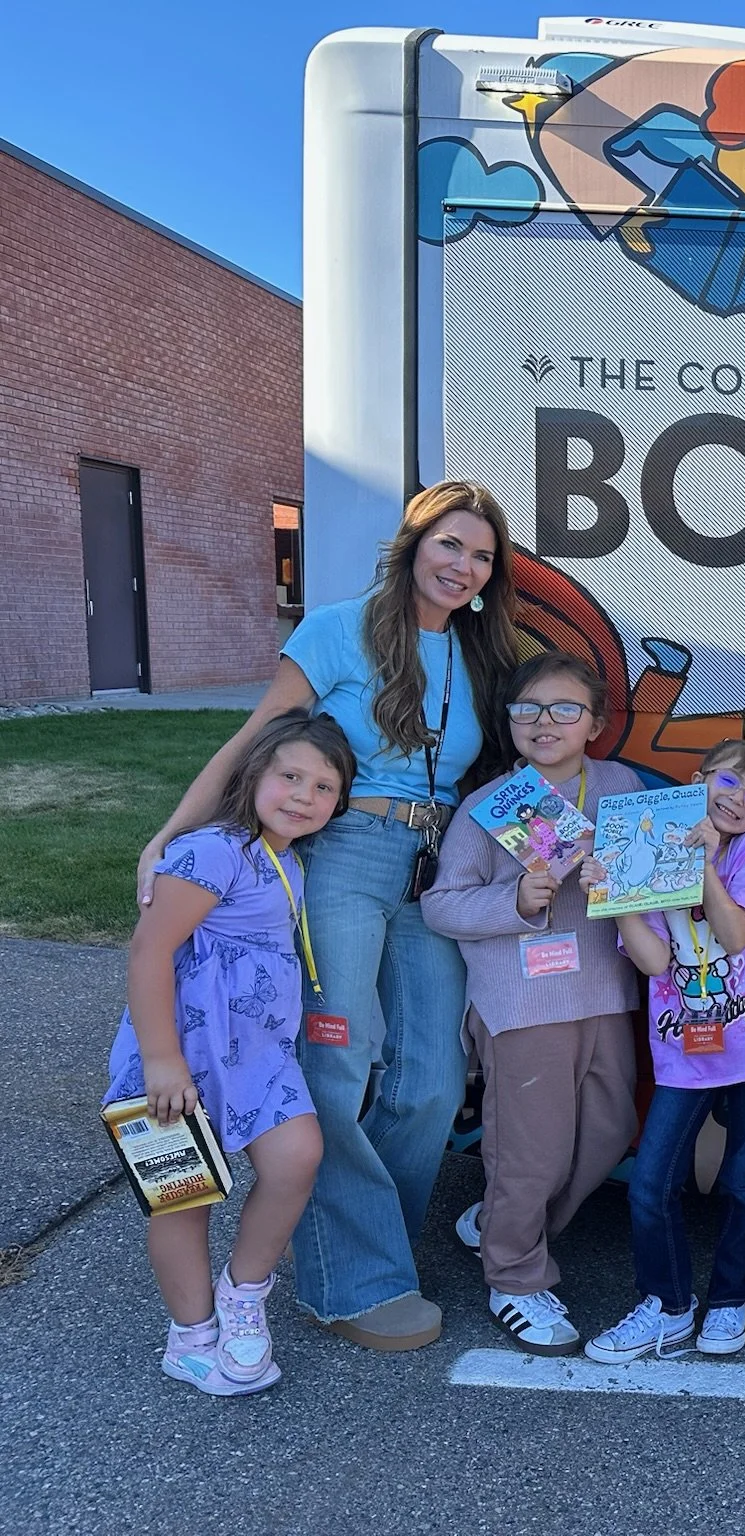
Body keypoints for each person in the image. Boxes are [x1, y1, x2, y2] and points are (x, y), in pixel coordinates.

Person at [137, 480, 518, 1351]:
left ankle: (369, 1249)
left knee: (431, 1081)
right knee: (338, 1066)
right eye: (450, 544)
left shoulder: (478, 655)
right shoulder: (339, 628)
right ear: (413, 543)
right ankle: (350, 1281)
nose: (463, 566)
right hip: (346, 853)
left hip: (435, 865)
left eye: (482, 556)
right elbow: (258, 738)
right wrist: (172, 832)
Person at [109, 710, 355, 1394]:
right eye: (290, 777)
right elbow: (150, 949)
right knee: (183, 1199)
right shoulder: (213, 849)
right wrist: (161, 1059)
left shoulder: (288, 859)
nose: (304, 796)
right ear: (252, 776)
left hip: (257, 1057)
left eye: (324, 787)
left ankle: (243, 1295)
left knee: (297, 1156)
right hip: (178, 1056)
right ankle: (190, 1337)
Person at [421, 653, 642, 1355]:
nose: (545, 722)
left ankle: (501, 1221)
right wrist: (514, 899)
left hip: (604, 990)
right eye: (528, 709)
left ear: (595, 724)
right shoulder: (489, 805)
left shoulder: (619, 784)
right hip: (523, 1001)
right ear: (509, 720)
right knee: (532, 1154)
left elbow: (648, 873)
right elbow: (441, 904)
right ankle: (513, 1276)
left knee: (608, 1133)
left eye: (565, 709)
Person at [585, 741, 745, 1362]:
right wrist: (618, 899)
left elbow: (734, 935)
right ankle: (668, 1304)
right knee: (650, 1184)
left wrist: (703, 864)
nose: (737, 799)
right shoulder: (650, 847)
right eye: (727, 782)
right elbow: (654, 962)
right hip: (684, 1048)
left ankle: (729, 1297)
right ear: (697, 780)